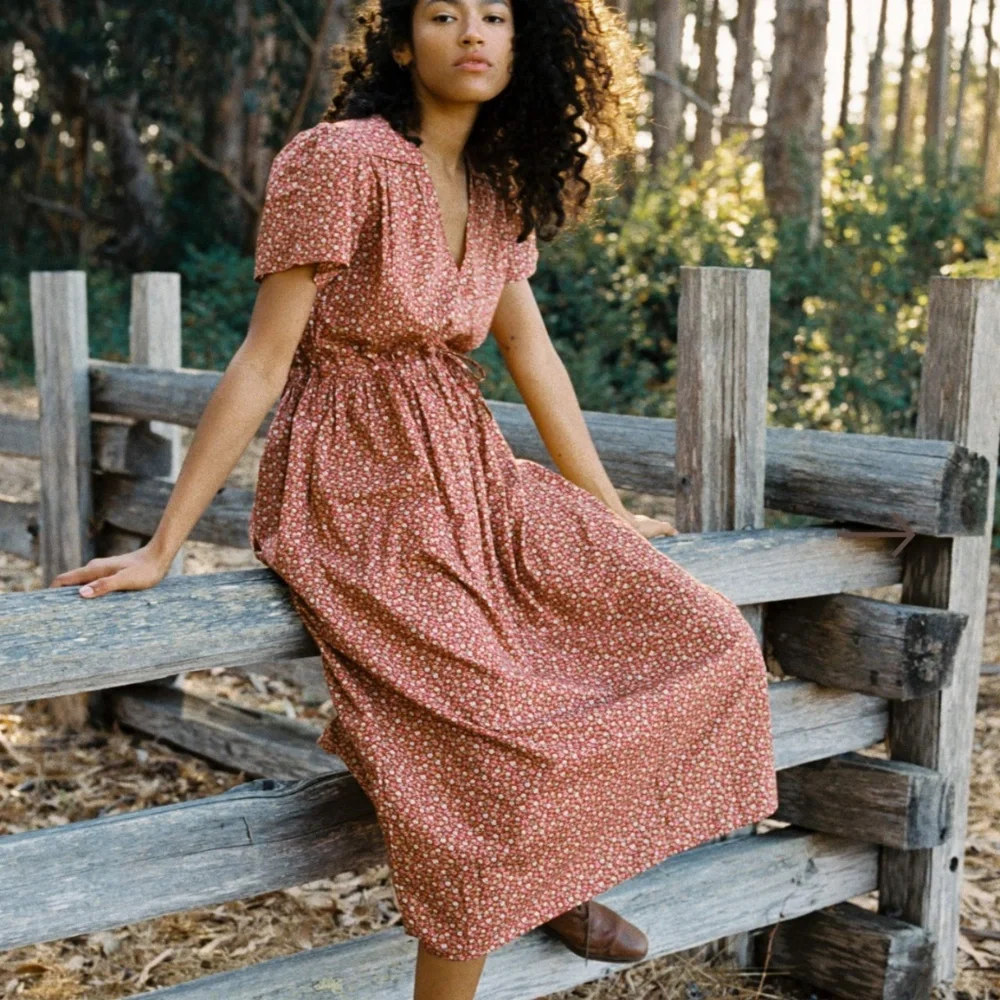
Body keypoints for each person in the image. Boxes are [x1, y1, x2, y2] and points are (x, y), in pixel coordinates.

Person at [50, 1, 780, 997]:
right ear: (402, 41)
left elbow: (528, 350)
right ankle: (500, 907)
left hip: (470, 470)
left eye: (493, 16)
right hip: (354, 484)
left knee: (705, 636)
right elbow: (264, 361)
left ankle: (552, 872)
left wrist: (604, 507)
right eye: (443, 13)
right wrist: (164, 544)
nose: (471, 31)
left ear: (526, 47)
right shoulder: (338, 159)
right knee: (494, 729)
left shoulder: (495, 183)